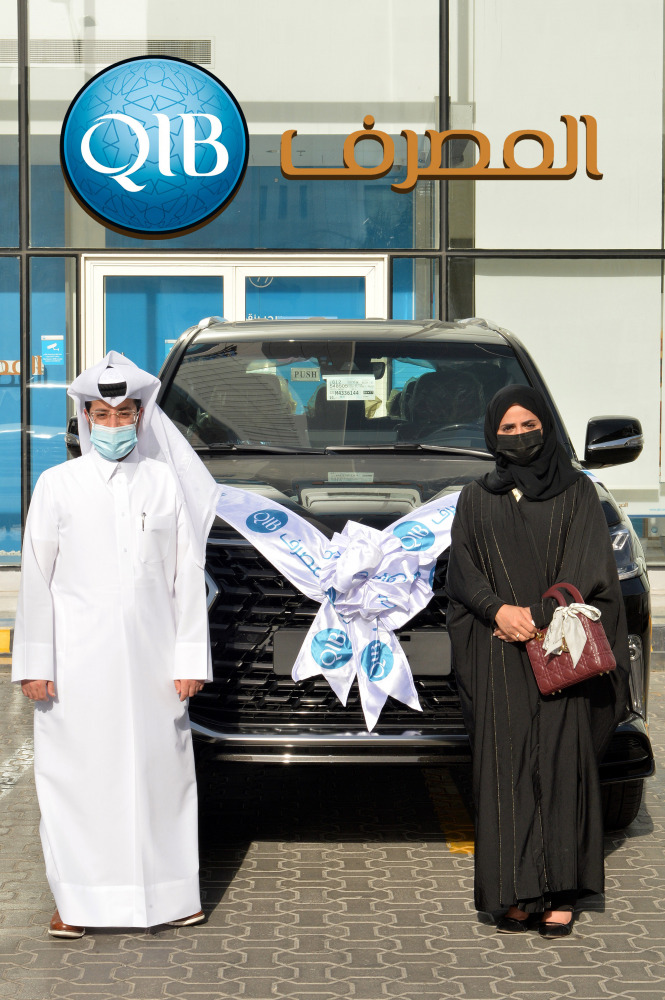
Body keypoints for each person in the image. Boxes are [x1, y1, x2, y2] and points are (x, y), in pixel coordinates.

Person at [12, 352, 220, 938]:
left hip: (156, 665)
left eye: (123, 412)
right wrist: (34, 664)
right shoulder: (57, 486)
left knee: (162, 780)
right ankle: (76, 902)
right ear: (84, 419)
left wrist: (188, 660)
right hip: (76, 669)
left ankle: (172, 896)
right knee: (78, 783)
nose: (112, 424)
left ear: (141, 415)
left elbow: (185, 577)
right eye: (100, 414)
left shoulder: (163, 483)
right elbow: (35, 578)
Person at [445, 385, 630, 939]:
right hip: (500, 652)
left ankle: (560, 892)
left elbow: (590, 563)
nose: (520, 436)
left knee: (559, 766)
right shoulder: (477, 496)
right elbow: (463, 570)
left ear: (547, 427)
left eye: (530, 425)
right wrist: (498, 611)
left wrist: (542, 612)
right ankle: (513, 894)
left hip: (558, 652)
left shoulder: (577, 492)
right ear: (492, 436)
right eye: (508, 429)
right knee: (504, 772)